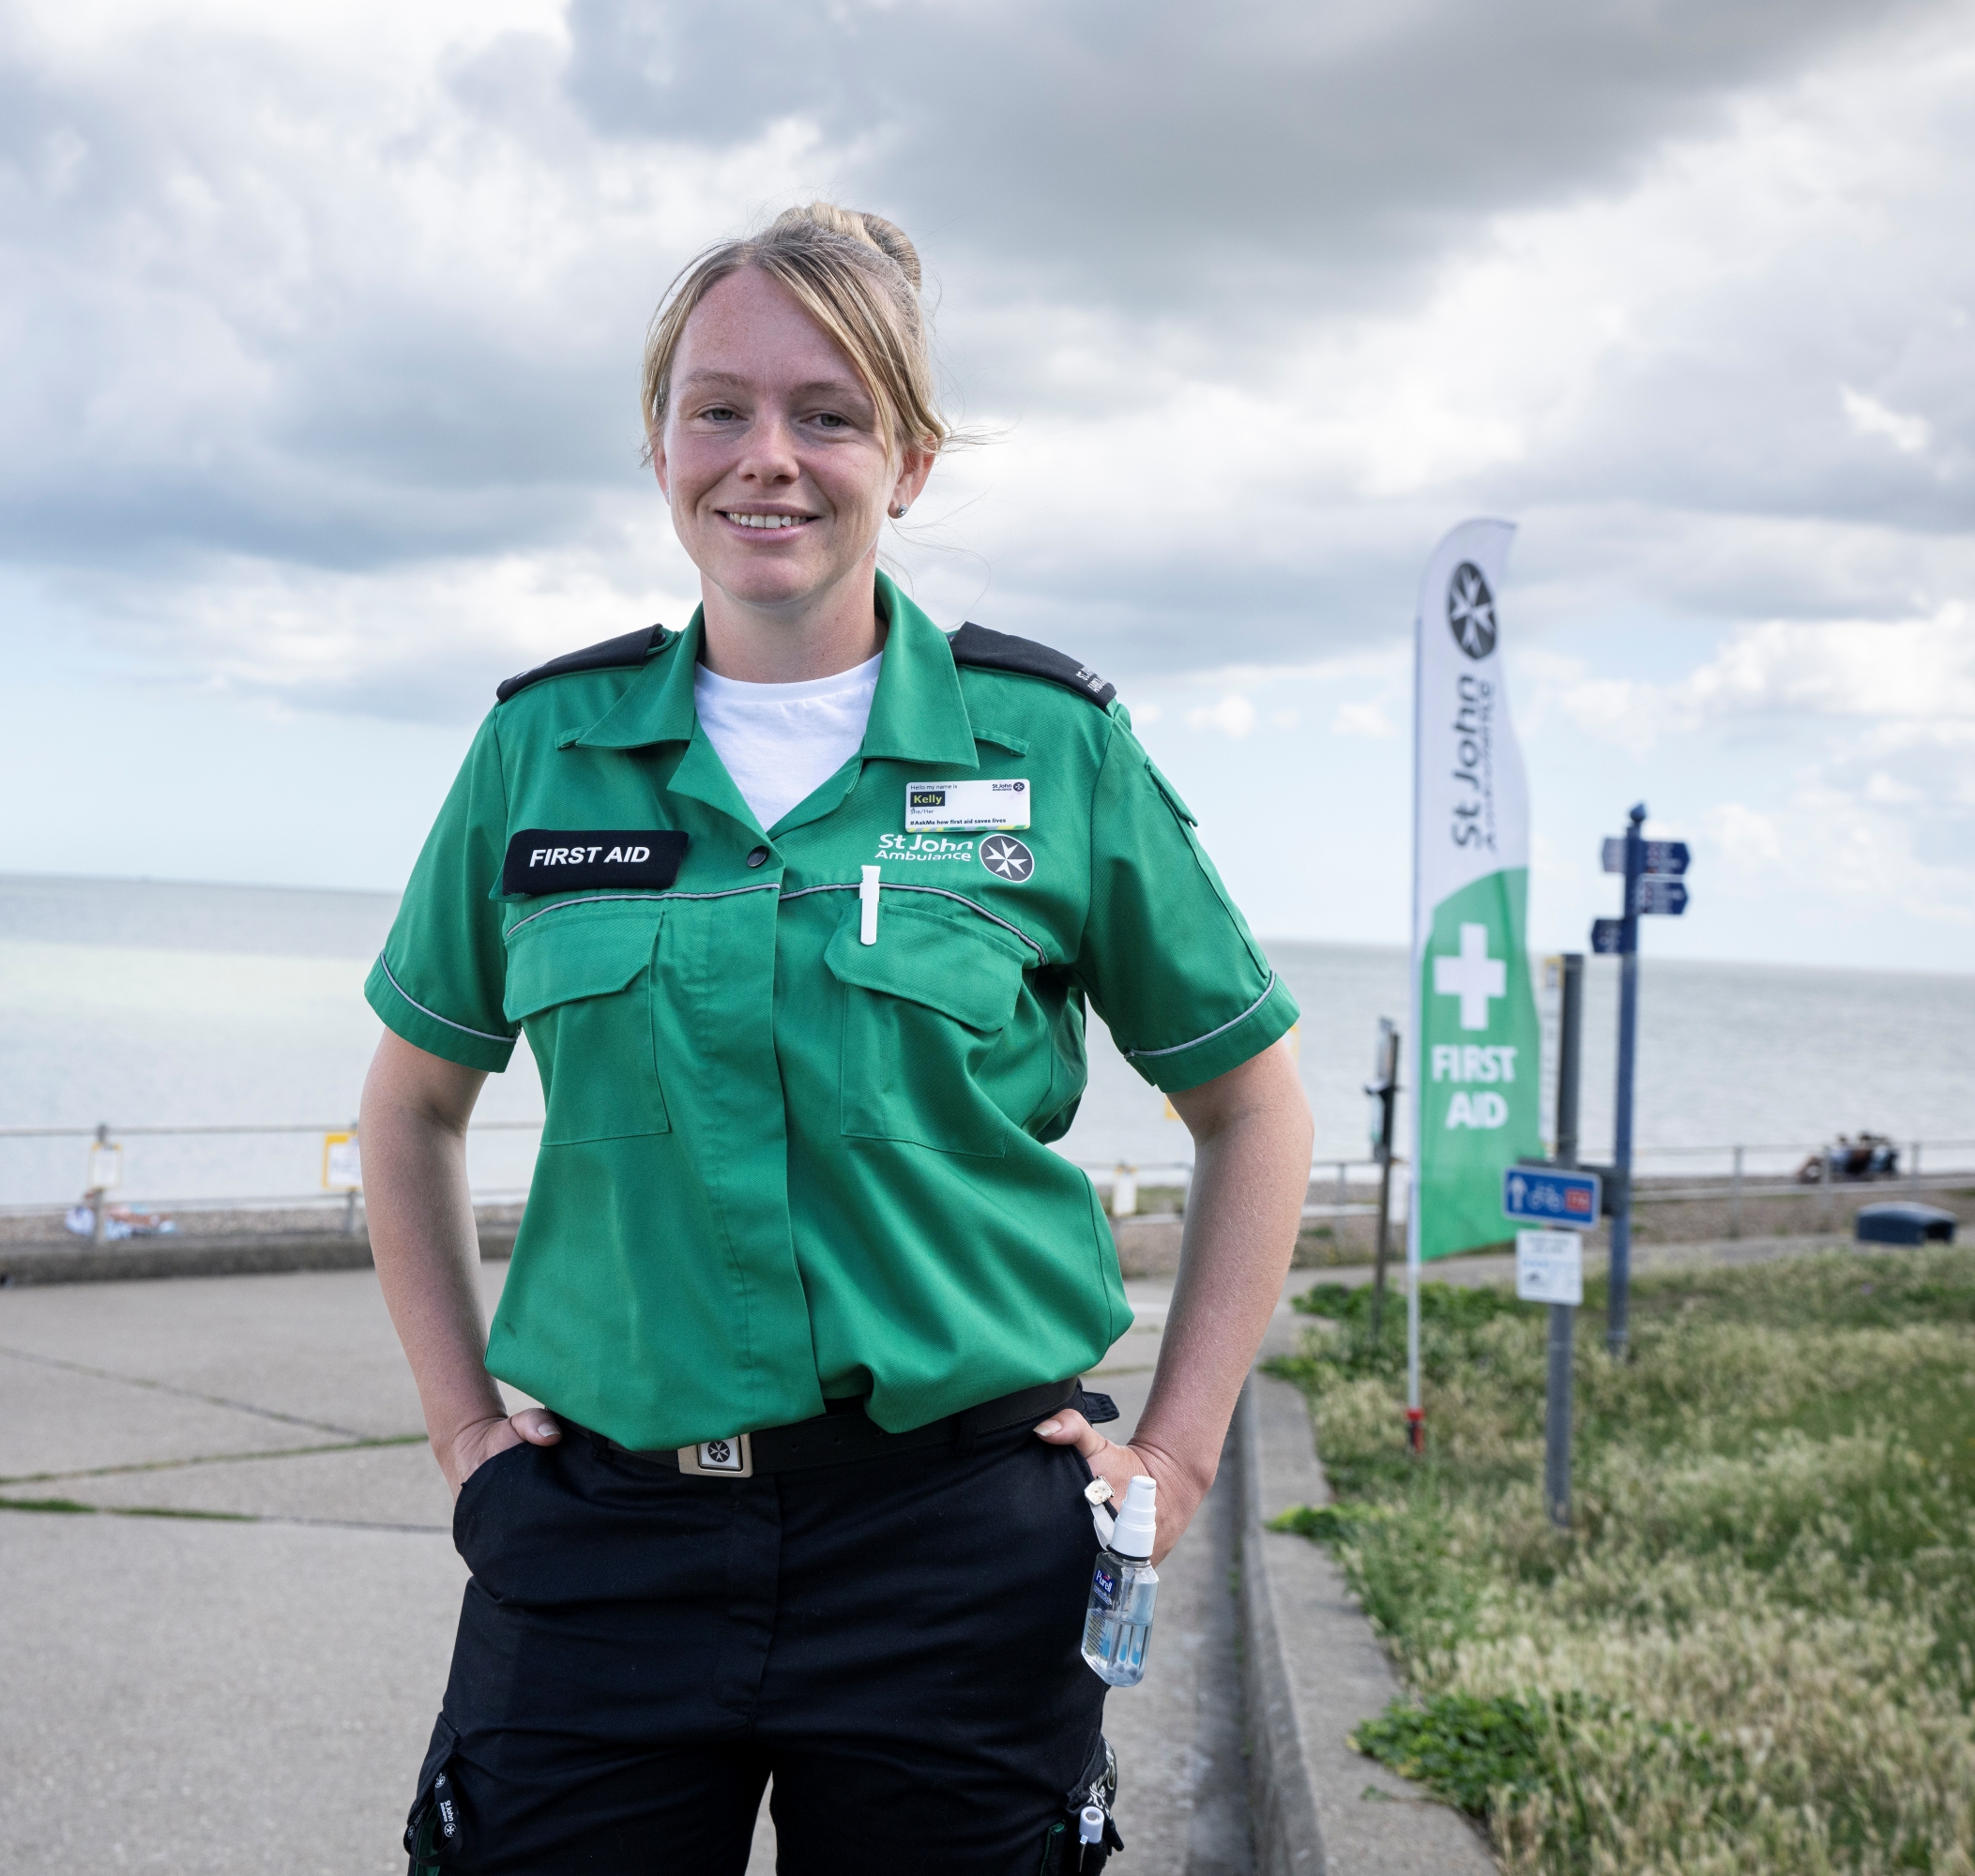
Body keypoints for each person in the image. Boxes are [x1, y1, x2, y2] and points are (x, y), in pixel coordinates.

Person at [361, 202, 1314, 1875]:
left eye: (829, 413)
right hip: (606, 1548)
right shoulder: (541, 751)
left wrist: (1174, 1451)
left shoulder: (1051, 752)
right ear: (660, 444)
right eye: (718, 407)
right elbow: (413, 1104)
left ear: (913, 457)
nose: (767, 460)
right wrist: (464, 1447)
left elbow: (1253, 1105)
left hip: (955, 1553)